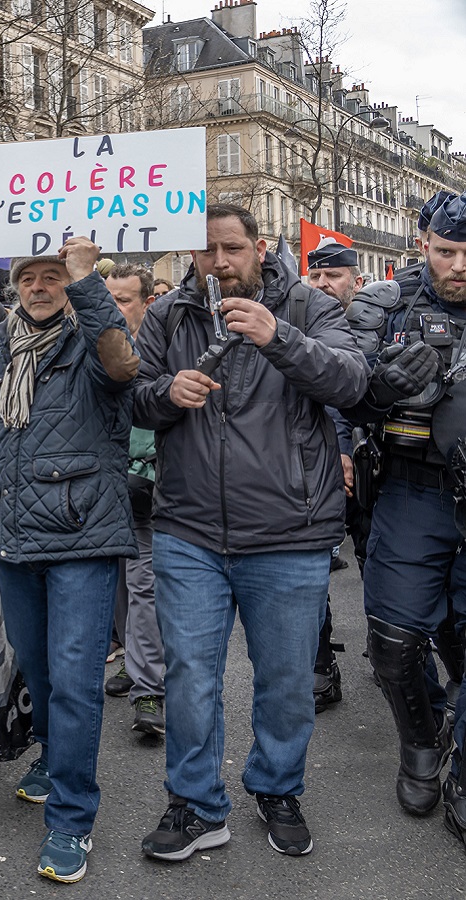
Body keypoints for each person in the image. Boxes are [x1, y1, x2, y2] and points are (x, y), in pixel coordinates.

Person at [133, 203, 368, 863]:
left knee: (287, 679)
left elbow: (351, 383)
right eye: (205, 250)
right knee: (189, 676)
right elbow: (135, 398)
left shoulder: (304, 306)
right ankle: (198, 805)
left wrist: (277, 338)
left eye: (231, 248)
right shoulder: (168, 312)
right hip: (189, 527)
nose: (218, 262)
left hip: (289, 529)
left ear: (261, 246)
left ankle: (277, 788)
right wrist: (164, 395)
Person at [0, 238, 140, 883]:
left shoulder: (93, 344)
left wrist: (88, 278)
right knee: (37, 667)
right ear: (15, 288)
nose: (41, 287)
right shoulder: (4, 351)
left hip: (81, 535)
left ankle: (72, 817)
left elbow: (125, 367)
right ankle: (50, 756)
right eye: (30, 278)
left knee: (74, 679)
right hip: (15, 536)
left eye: (52, 277)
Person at [341, 192, 466, 835]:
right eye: (448, 251)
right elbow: (342, 395)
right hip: (411, 490)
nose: (460, 265)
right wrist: (382, 386)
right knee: (392, 646)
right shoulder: (382, 305)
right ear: (423, 244)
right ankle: (422, 742)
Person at [101, 265, 165, 737]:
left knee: (144, 584)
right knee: (121, 582)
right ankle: (132, 658)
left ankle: (150, 688)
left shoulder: (162, 348)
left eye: (124, 300)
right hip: (104, 487)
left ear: (146, 302)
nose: (116, 309)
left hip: (150, 489)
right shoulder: (94, 346)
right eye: (110, 299)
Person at [306, 236, 368, 712]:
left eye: (334, 276)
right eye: (317, 276)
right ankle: (321, 665)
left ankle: (395, 653)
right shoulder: (297, 322)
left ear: (357, 281)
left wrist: (347, 446)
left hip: (373, 475)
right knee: (310, 576)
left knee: (379, 570)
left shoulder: (379, 327)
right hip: (315, 472)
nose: (324, 284)